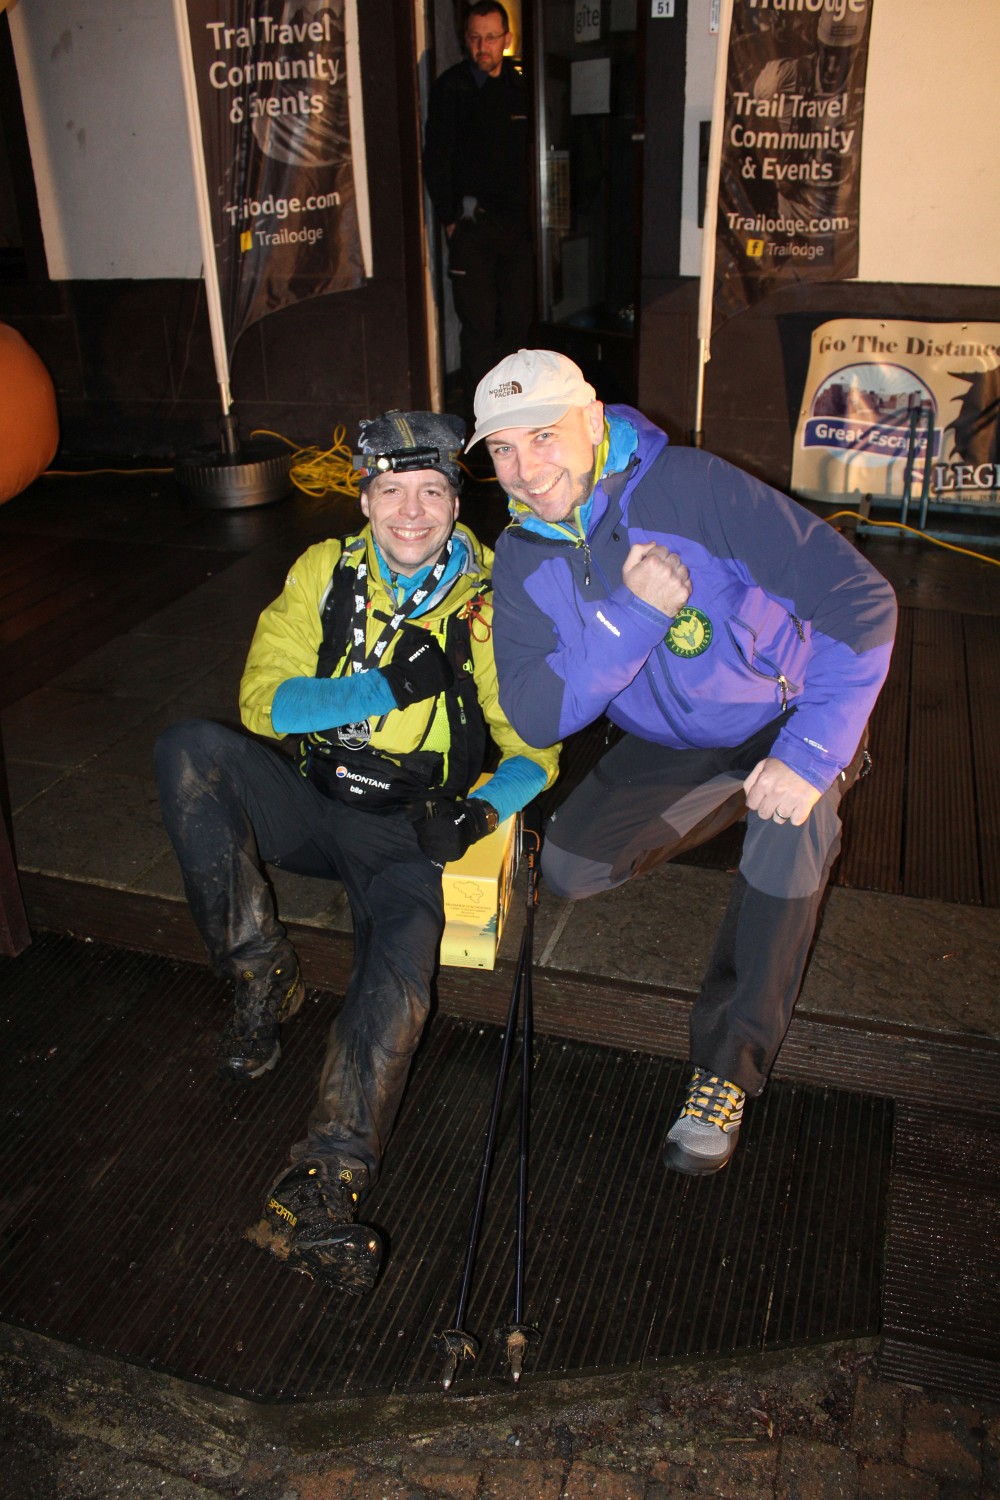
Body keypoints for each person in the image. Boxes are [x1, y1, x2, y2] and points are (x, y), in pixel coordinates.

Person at [154, 409, 559, 1294]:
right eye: (392, 491)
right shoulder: (324, 571)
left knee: (401, 976)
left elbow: (537, 750)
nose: (411, 512)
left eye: (432, 491)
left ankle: (324, 1181)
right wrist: (384, 687)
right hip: (310, 796)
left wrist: (477, 813)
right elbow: (263, 701)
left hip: (406, 828)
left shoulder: (493, 604)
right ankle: (260, 970)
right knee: (189, 749)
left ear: (456, 503)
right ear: (365, 499)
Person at [467, 349, 897, 1177]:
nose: (526, 468)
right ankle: (739, 796)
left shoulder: (693, 486)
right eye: (503, 449)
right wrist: (634, 615)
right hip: (675, 742)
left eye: (544, 436)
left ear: (593, 420)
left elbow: (862, 599)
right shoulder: (521, 556)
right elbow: (537, 713)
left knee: (789, 832)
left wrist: (811, 752)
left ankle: (727, 1068)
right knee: (571, 869)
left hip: (785, 717)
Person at [423, 2, 534, 424]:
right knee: (479, 328)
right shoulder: (451, 88)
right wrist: (451, 219)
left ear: (506, 39)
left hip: (516, 228)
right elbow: (435, 158)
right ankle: (482, 424)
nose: (482, 46)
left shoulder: (521, 87)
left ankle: (515, 414)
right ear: (465, 40)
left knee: (518, 323)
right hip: (472, 227)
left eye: (490, 37)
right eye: (474, 38)